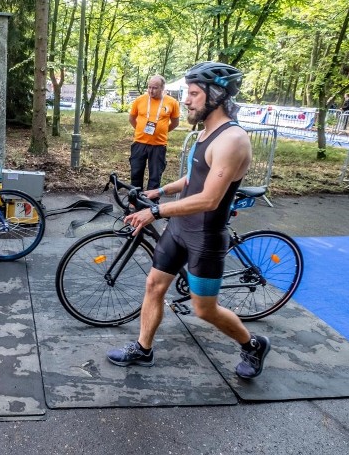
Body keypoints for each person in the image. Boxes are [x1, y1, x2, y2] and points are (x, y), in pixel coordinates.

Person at [107, 61, 271, 380]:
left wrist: (155, 211)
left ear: (217, 94)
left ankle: (252, 344)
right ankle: (143, 348)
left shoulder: (232, 140)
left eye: (194, 94)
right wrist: (160, 191)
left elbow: (209, 198)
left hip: (206, 236)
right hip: (181, 227)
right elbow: (193, 177)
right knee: (154, 285)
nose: (186, 100)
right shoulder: (207, 131)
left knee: (204, 310)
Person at [128, 75, 181, 191]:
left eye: (155, 88)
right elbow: (132, 118)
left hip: (158, 145)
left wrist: (162, 132)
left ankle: (151, 203)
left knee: (155, 176)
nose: (151, 91)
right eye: (149, 87)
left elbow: (175, 122)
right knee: (136, 173)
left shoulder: (172, 102)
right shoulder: (140, 100)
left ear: (162, 88)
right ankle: (134, 201)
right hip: (139, 143)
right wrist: (140, 130)